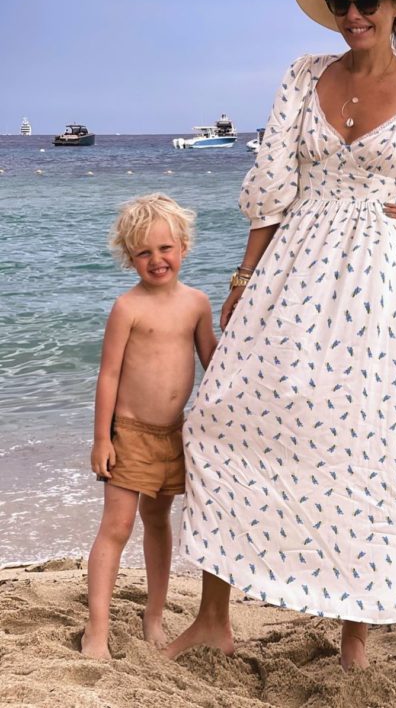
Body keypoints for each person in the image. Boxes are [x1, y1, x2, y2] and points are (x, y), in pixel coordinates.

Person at [166, 0, 396, 670]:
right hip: (291, 265)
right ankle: (213, 618)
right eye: (342, 2)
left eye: (369, 1)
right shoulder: (303, 75)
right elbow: (272, 188)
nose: (354, 14)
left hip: (381, 280)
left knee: (368, 445)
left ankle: (355, 638)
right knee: (224, 417)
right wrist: (242, 279)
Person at [81, 193, 217, 660]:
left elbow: (213, 362)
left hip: (174, 435)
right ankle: (97, 630)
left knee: (158, 522)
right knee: (117, 526)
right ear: (129, 256)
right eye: (143, 252)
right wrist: (102, 439)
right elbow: (109, 376)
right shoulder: (128, 308)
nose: (156, 260)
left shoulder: (197, 303)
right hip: (130, 434)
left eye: (165, 248)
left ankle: (153, 616)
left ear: (183, 247)